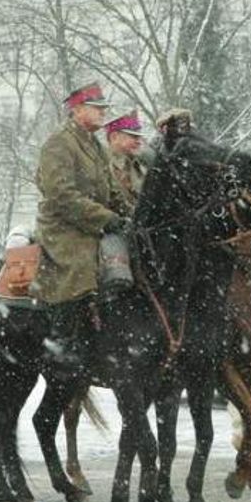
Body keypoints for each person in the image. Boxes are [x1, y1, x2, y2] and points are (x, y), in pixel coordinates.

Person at [30, 82, 130, 366]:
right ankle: (62, 343)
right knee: (81, 267)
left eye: (103, 108)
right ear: (77, 110)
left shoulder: (95, 146)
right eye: (96, 108)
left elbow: (112, 191)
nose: (103, 112)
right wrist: (106, 218)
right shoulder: (59, 143)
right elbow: (61, 195)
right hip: (64, 227)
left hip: (91, 223)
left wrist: (133, 215)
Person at [104, 110, 149, 209]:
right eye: (133, 136)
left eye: (139, 137)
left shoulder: (139, 165)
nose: (139, 142)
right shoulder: (102, 163)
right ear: (114, 137)